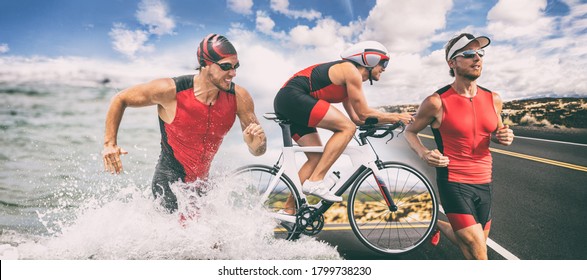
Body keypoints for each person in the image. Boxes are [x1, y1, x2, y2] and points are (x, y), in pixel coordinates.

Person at [102, 33, 267, 213]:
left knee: (211, 240)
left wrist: (256, 146)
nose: (233, 73)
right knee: (182, 239)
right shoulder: (171, 90)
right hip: (170, 184)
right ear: (205, 65)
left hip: (202, 186)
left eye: (236, 66)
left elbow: (258, 151)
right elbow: (120, 99)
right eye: (226, 66)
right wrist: (109, 143)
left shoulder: (240, 98)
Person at [404, 33, 514, 260]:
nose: (477, 58)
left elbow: (495, 131)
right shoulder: (436, 101)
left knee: (473, 245)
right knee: (478, 251)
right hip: (454, 181)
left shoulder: (493, 98)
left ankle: (436, 225)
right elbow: (410, 131)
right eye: (468, 54)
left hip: (484, 181)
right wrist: (425, 153)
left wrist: (503, 136)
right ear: (452, 63)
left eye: (480, 53)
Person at [274, 41, 413, 204]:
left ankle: (289, 209)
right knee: (347, 128)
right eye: (384, 62)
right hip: (293, 96)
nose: (385, 68)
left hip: (288, 102)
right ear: (369, 59)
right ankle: (315, 181)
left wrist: (386, 123)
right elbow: (363, 113)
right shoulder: (350, 71)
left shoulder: (348, 82)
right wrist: (396, 117)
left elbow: (358, 118)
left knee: (316, 157)